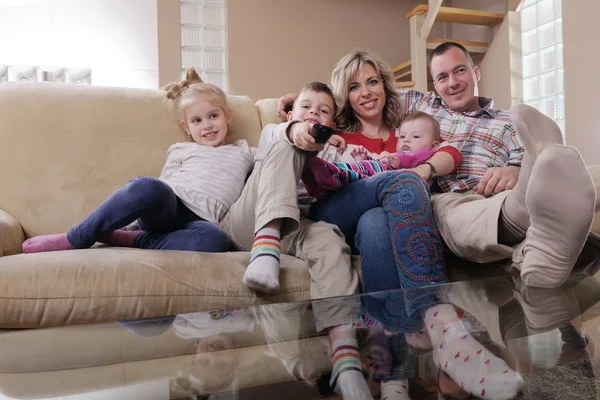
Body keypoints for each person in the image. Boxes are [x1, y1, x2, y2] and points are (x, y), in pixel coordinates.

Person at [278, 49, 524, 399]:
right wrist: (293, 111)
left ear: (385, 85)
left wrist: (423, 167)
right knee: (403, 182)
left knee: (378, 221)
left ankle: (394, 378)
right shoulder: (336, 132)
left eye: (373, 81)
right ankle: (445, 332)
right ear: (342, 96)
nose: (365, 92)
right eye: (354, 86)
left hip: (374, 222)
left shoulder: (406, 131)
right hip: (335, 212)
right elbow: (309, 111)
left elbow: (448, 149)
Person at [219, 81, 371, 400]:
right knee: (287, 144)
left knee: (329, 238)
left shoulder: (334, 153)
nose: (314, 112)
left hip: (293, 221)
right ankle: (264, 249)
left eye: (323, 110)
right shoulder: (274, 131)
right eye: (306, 106)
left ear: (332, 123)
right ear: (291, 111)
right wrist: (297, 130)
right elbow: (289, 134)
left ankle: (346, 362)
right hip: (248, 219)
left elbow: (346, 179)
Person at [21, 68, 241, 254]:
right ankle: (76, 237)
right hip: (169, 208)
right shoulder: (182, 149)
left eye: (214, 116)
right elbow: (165, 183)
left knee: (217, 240)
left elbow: (264, 175)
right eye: (197, 120)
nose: (207, 125)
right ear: (187, 128)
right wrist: (144, 211)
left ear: (227, 117)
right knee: (149, 186)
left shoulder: (244, 152)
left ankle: (132, 239)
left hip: (199, 222)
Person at [302, 111, 455, 198]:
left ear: (434, 145)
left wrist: (395, 159)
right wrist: (365, 159)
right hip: (382, 180)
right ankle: (326, 178)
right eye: (402, 137)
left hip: (400, 187)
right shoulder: (397, 155)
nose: (406, 140)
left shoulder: (427, 153)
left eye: (415, 137)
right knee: (357, 173)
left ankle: (327, 172)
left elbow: (410, 158)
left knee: (358, 173)